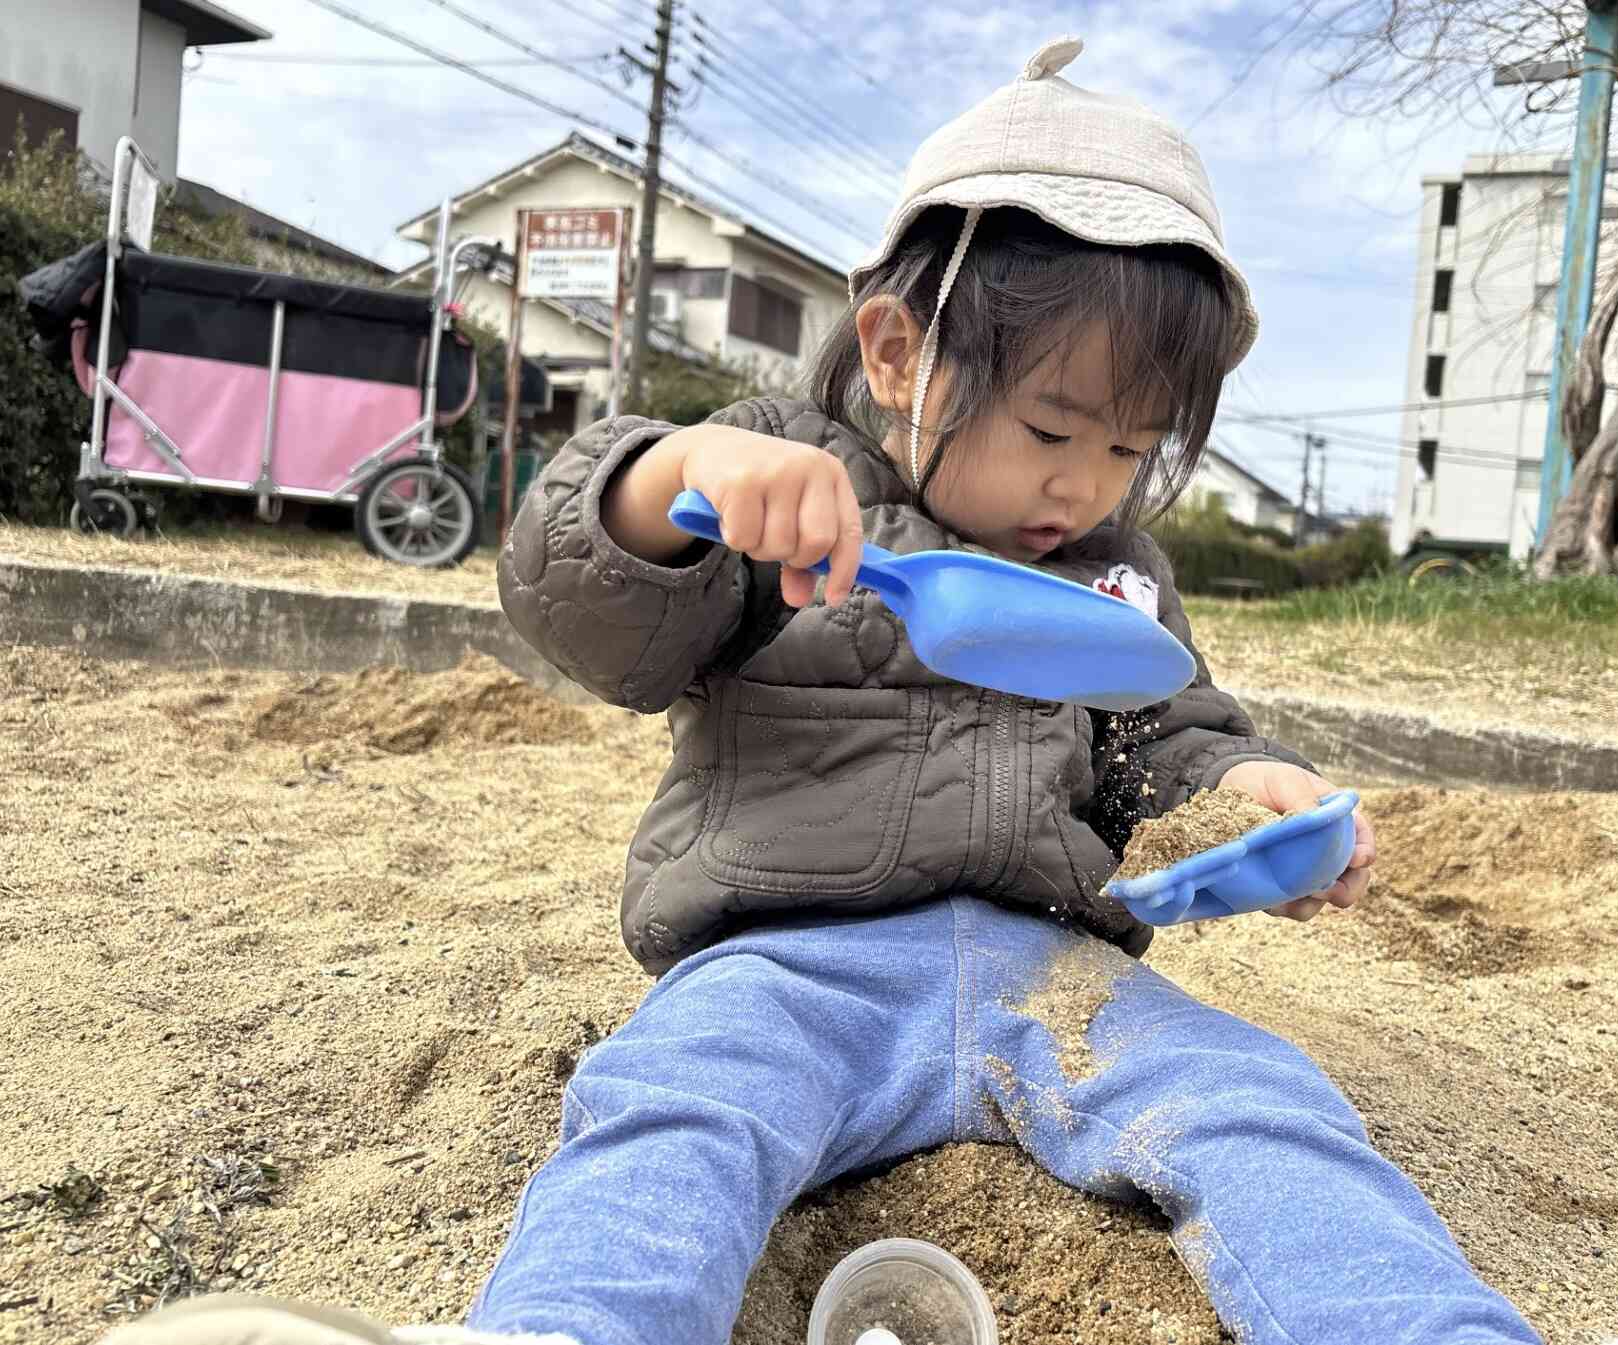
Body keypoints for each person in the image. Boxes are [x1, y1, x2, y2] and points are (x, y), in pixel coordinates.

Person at [104, 37, 1540, 1345]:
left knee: (1261, 1103)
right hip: (790, 959)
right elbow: (580, 607)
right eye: (1051, 426)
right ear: (902, 351)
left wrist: (1248, 800)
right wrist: (674, 484)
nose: (1083, 484)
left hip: (1063, 978)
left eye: (1132, 448)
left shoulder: (1118, 577)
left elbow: (1164, 742)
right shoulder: (787, 481)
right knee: (675, 1113)